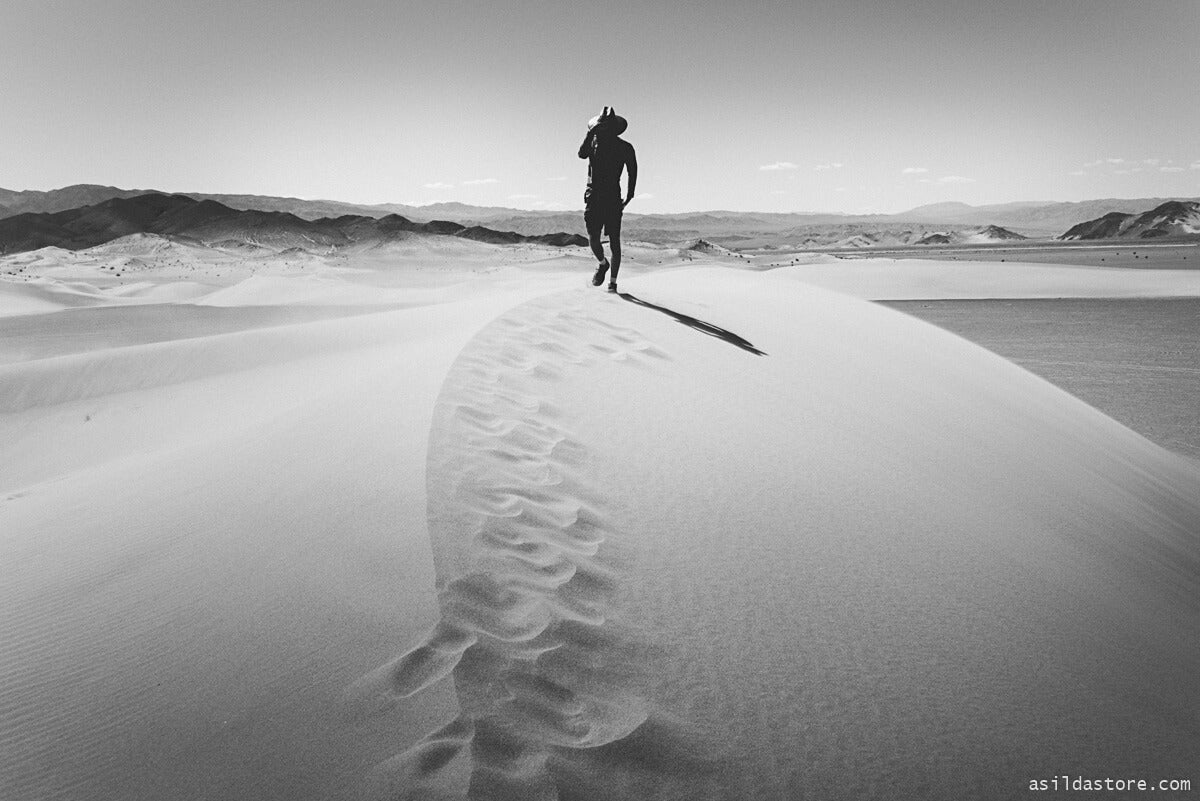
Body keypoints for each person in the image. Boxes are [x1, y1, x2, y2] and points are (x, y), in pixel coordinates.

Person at [578, 106, 637, 292]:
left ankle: (612, 283)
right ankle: (603, 264)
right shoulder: (593, 143)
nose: (603, 130)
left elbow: (632, 170)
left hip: (612, 198)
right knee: (593, 238)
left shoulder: (624, 147)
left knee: (615, 242)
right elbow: (581, 154)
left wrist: (630, 193)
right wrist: (590, 134)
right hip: (593, 196)